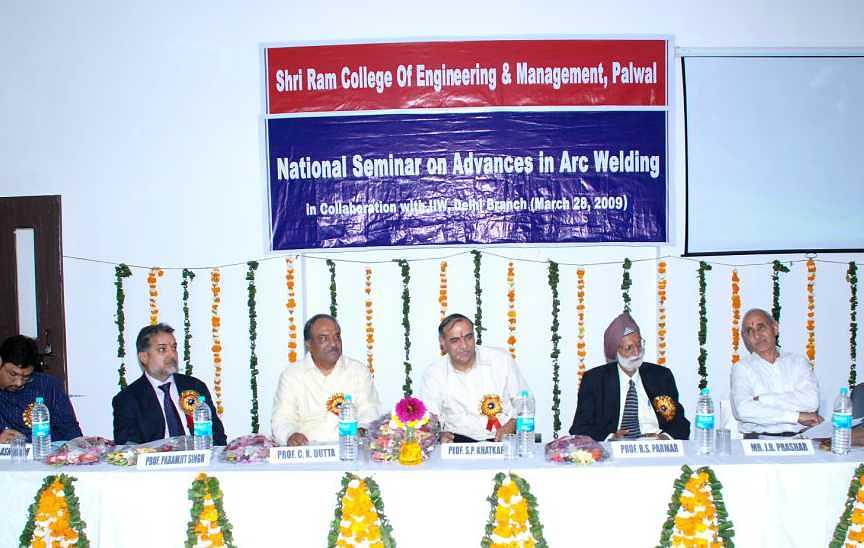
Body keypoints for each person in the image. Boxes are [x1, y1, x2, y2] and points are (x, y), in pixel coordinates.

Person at [569, 312, 690, 441]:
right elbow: (580, 428)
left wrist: (664, 438)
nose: (637, 352)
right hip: (615, 447)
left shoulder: (659, 377)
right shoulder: (595, 381)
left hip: (656, 444)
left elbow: (679, 422)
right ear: (615, 351)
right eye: (628, 348)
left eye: (639, 345)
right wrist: (611, 437)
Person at [271, 314, 380, 446]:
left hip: (349, 449)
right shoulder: (292, 375)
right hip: (307, 452)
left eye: (337, 336)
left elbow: (369, 411)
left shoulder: (358, 371)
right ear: (309, 344)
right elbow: (282, 418)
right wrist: (290, 435)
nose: (333, 343)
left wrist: (362, 430)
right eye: (324, 338)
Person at [419, 313, 529, 443]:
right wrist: (439, 435)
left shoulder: (501, 360)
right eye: (455, 340)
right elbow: (430, 418)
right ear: (443, 343)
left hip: (504, 439)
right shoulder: (434, 373)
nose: (464, 346)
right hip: (458, 442)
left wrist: (513, 424)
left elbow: (525, 401)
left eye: (469, 337)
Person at [112, 323, 226, 445]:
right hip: (155, 456)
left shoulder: (195, 386)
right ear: (144, 357)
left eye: (174, 348)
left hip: (199, 454)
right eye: (162, 349)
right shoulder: (127, 399)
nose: (172, 355)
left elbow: (218, 437)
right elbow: (128, 447)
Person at [731, 308, 822, 438]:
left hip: (799, 439)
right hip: (758, 440)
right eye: (750, 331)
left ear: (775, 328)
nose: (757, 336)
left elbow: (811, 401)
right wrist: (796, 416)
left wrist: (763, 399)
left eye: (761, 328)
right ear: (745, 338)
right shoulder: (742, 368)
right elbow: (744, 410)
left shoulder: (798, 362)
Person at [0, 335, 82, 442]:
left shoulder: (48, 386)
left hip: (47, 449)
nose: (19, 383)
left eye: (26, 377)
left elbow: (70, 431)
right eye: (13, 374)